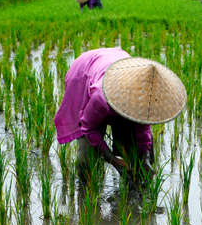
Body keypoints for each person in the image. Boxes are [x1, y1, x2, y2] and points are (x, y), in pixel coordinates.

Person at [54, 47, 187, 184]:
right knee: (87, 157)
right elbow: (89, 128)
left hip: (118, 63)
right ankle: (87, 189)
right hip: (83, 73)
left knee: (136, 151)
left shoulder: (144, 97)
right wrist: (113, 160)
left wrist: (145, 158)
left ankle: (134, 182)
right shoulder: (101, 97)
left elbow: (143, 129)